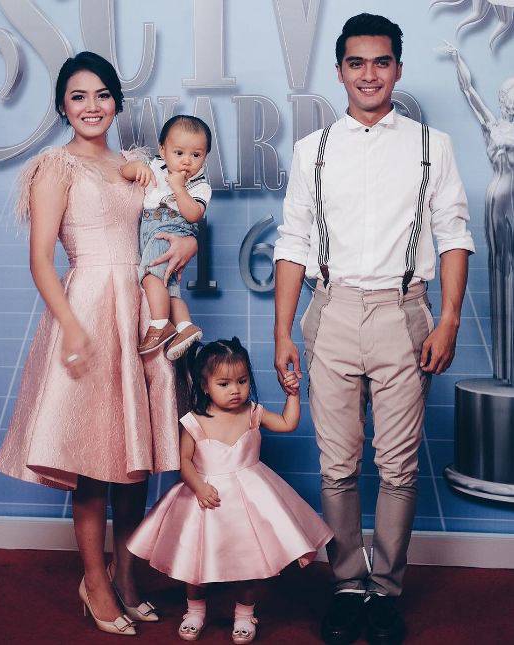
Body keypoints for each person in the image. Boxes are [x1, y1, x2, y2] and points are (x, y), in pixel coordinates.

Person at [273, 14, 475, 645]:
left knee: (398, 467)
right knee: (336, 465)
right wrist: (282, 333)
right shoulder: (312, 150)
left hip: (403, 312)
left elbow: (454, 235)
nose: (369, 74)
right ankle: (345, 586)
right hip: (330, 311)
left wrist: (448, 318)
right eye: (356, 63)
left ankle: (384, 590)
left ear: (398, 69)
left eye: (381, 62)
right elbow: (293, 242)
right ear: (340, 72)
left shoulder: (430, 145)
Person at [0, 51, 198, 636]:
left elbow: (169, 226)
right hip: (86, 308)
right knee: (91, 463)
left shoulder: (137, 164)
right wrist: (72, 325)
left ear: (117, 102)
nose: (92, 106)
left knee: (135, 460)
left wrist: (187, 245)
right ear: (63, 106)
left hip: (140, 310)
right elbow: (41, 260)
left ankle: (127, 577)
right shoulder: (54, 167)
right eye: (78, 96)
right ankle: (95, 582)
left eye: (103, 95)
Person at [126, 337, 333, 643]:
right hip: (206, 499)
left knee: (250, 563)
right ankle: (195, 610)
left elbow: (287, 423)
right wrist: (199, 487)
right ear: (205, 386)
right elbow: (184, 461)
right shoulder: (195, 420)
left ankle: (245, 614)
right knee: (196, 563)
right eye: (224, 384)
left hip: (251, 500)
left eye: (242, 381)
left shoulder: (253, 413)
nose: (235, 390)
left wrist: (292, 395)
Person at [440, 42, 514, 385]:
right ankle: (505, 368)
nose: (511, 100)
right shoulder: (492, 125)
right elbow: (468, 91)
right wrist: (458, 58)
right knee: (501, 265)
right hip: (498, 196)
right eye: (508, 95)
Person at [120, 115, 212, 360]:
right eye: (179, 153)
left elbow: (193, 215)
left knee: (152, 276)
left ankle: (159, 325)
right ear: (163, 150)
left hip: (169, 232)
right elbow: (124, 171)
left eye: (196, 155)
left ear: (205, 157)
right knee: (170, 290)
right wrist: (137, 168)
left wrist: (179, 188)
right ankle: (185, 326)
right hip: (150, 231)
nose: (186, 161)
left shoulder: (200, 185)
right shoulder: (155, 165)